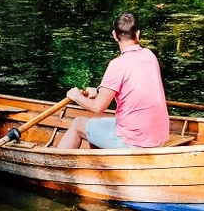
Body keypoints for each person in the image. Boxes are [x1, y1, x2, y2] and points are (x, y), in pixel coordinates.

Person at [58, 12, 169, 149]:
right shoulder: (149, 56)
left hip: (135, 142)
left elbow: (97, 107)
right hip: (159, 138)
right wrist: (99, 91)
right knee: (98, 124)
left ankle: (52, 166)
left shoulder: (117, 64)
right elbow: (129, 85)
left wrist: (76, 96)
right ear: (138, 34)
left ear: (115, 35)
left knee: (78, 123)